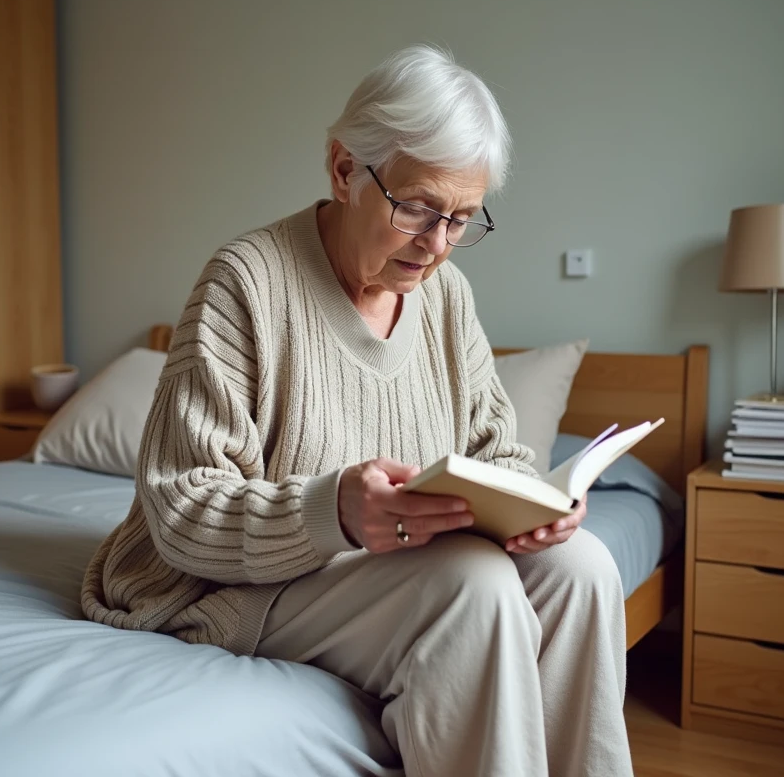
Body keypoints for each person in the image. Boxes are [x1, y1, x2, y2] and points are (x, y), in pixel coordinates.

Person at [81, 44, 633, 776]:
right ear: (344, 169)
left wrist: (535, 508)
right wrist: (331, 511)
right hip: (236, 582)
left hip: (386, 566)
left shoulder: (445, 296)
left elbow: (495, 450)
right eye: (417, 208)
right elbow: (179, 510)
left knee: (584, 568)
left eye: (462, 219)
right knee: (475, 588)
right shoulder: (245, 282)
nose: (437, 245)